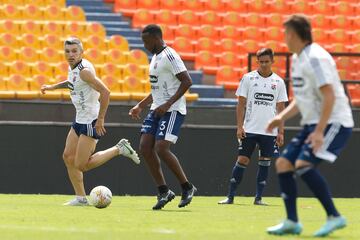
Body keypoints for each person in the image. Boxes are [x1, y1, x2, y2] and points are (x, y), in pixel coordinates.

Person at [266, 14, 354, 237]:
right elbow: (301, 100)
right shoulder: (298, 59)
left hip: (334, 121)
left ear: (293, 34)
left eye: (286, 33)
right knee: (284, 163)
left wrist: (318, 131)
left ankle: (334, 216)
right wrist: (281, 117)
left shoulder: (316, 58)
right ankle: (292, 222)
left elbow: (330, 96)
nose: (284, 38)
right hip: (313, 123)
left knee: (304, 164)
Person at [41, 37, 140, 206]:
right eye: (67, 51)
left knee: (82, 165)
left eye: (74, 51)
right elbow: (72, 83)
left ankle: (119, 149)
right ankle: (81, 198)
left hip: (90, 121)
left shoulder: (84, 71)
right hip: (79, 119)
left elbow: (106, 92)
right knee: (67, 156)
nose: (70, 54)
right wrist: (52, 87)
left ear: (81, 52)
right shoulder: (73, 68)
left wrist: (100, 119)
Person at [129, 24, 196, 210]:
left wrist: (168, 104)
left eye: (146, 41)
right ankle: (164, 191)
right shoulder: (156, 58)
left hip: (172, 109)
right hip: (156, 109)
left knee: (161, 147)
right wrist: (140, 105)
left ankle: (187, 187)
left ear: (157, 38)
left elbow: (187, 81)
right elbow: (156, 90)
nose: (144, 45)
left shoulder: (170, 55)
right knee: (144, 147)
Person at [218, 48, 288, 205]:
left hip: (269, 132)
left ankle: (258, 198)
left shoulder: (278, 82)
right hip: (249, 129)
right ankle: (230, 196)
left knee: (265, 162)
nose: (263, 64)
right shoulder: (248, 79)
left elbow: (281, 108)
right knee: (242, 160)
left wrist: (281, 131)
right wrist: (239, 127)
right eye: (261, 62)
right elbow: (241, 104)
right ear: (257, 62)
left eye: (266, 61)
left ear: (272, 61)